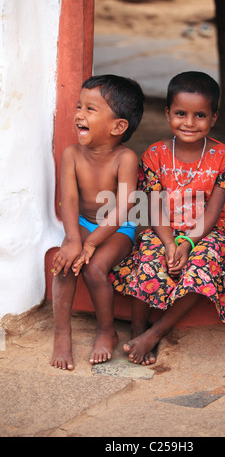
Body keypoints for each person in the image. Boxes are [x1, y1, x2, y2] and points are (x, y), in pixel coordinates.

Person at [110, 71, 225, 365]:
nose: (189, 122)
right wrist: (169, 243)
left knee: (202, 268)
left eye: (200, 115)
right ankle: (137, 327)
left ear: (214, 118)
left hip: (206, 233)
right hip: (164, 228)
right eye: (180, 113)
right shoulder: (155, 155)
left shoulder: (224, 158)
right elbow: (155, 207)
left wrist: (187, 243)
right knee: (148, 258)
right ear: (167, 113)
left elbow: (213, 212)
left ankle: (155, 332)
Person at [50, 74, 145, 370]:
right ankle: (61, 334)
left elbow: (127, 205)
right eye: (79, 106)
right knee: (65, 263)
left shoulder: (125, 158)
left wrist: (91, 242)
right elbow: (70, 200)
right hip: (81, 222)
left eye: (90, 109)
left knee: (93, 267)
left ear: (118, 126)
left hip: (118, 227)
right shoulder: (72, 154)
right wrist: (74, 239)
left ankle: (107, 330)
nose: (79, 113)